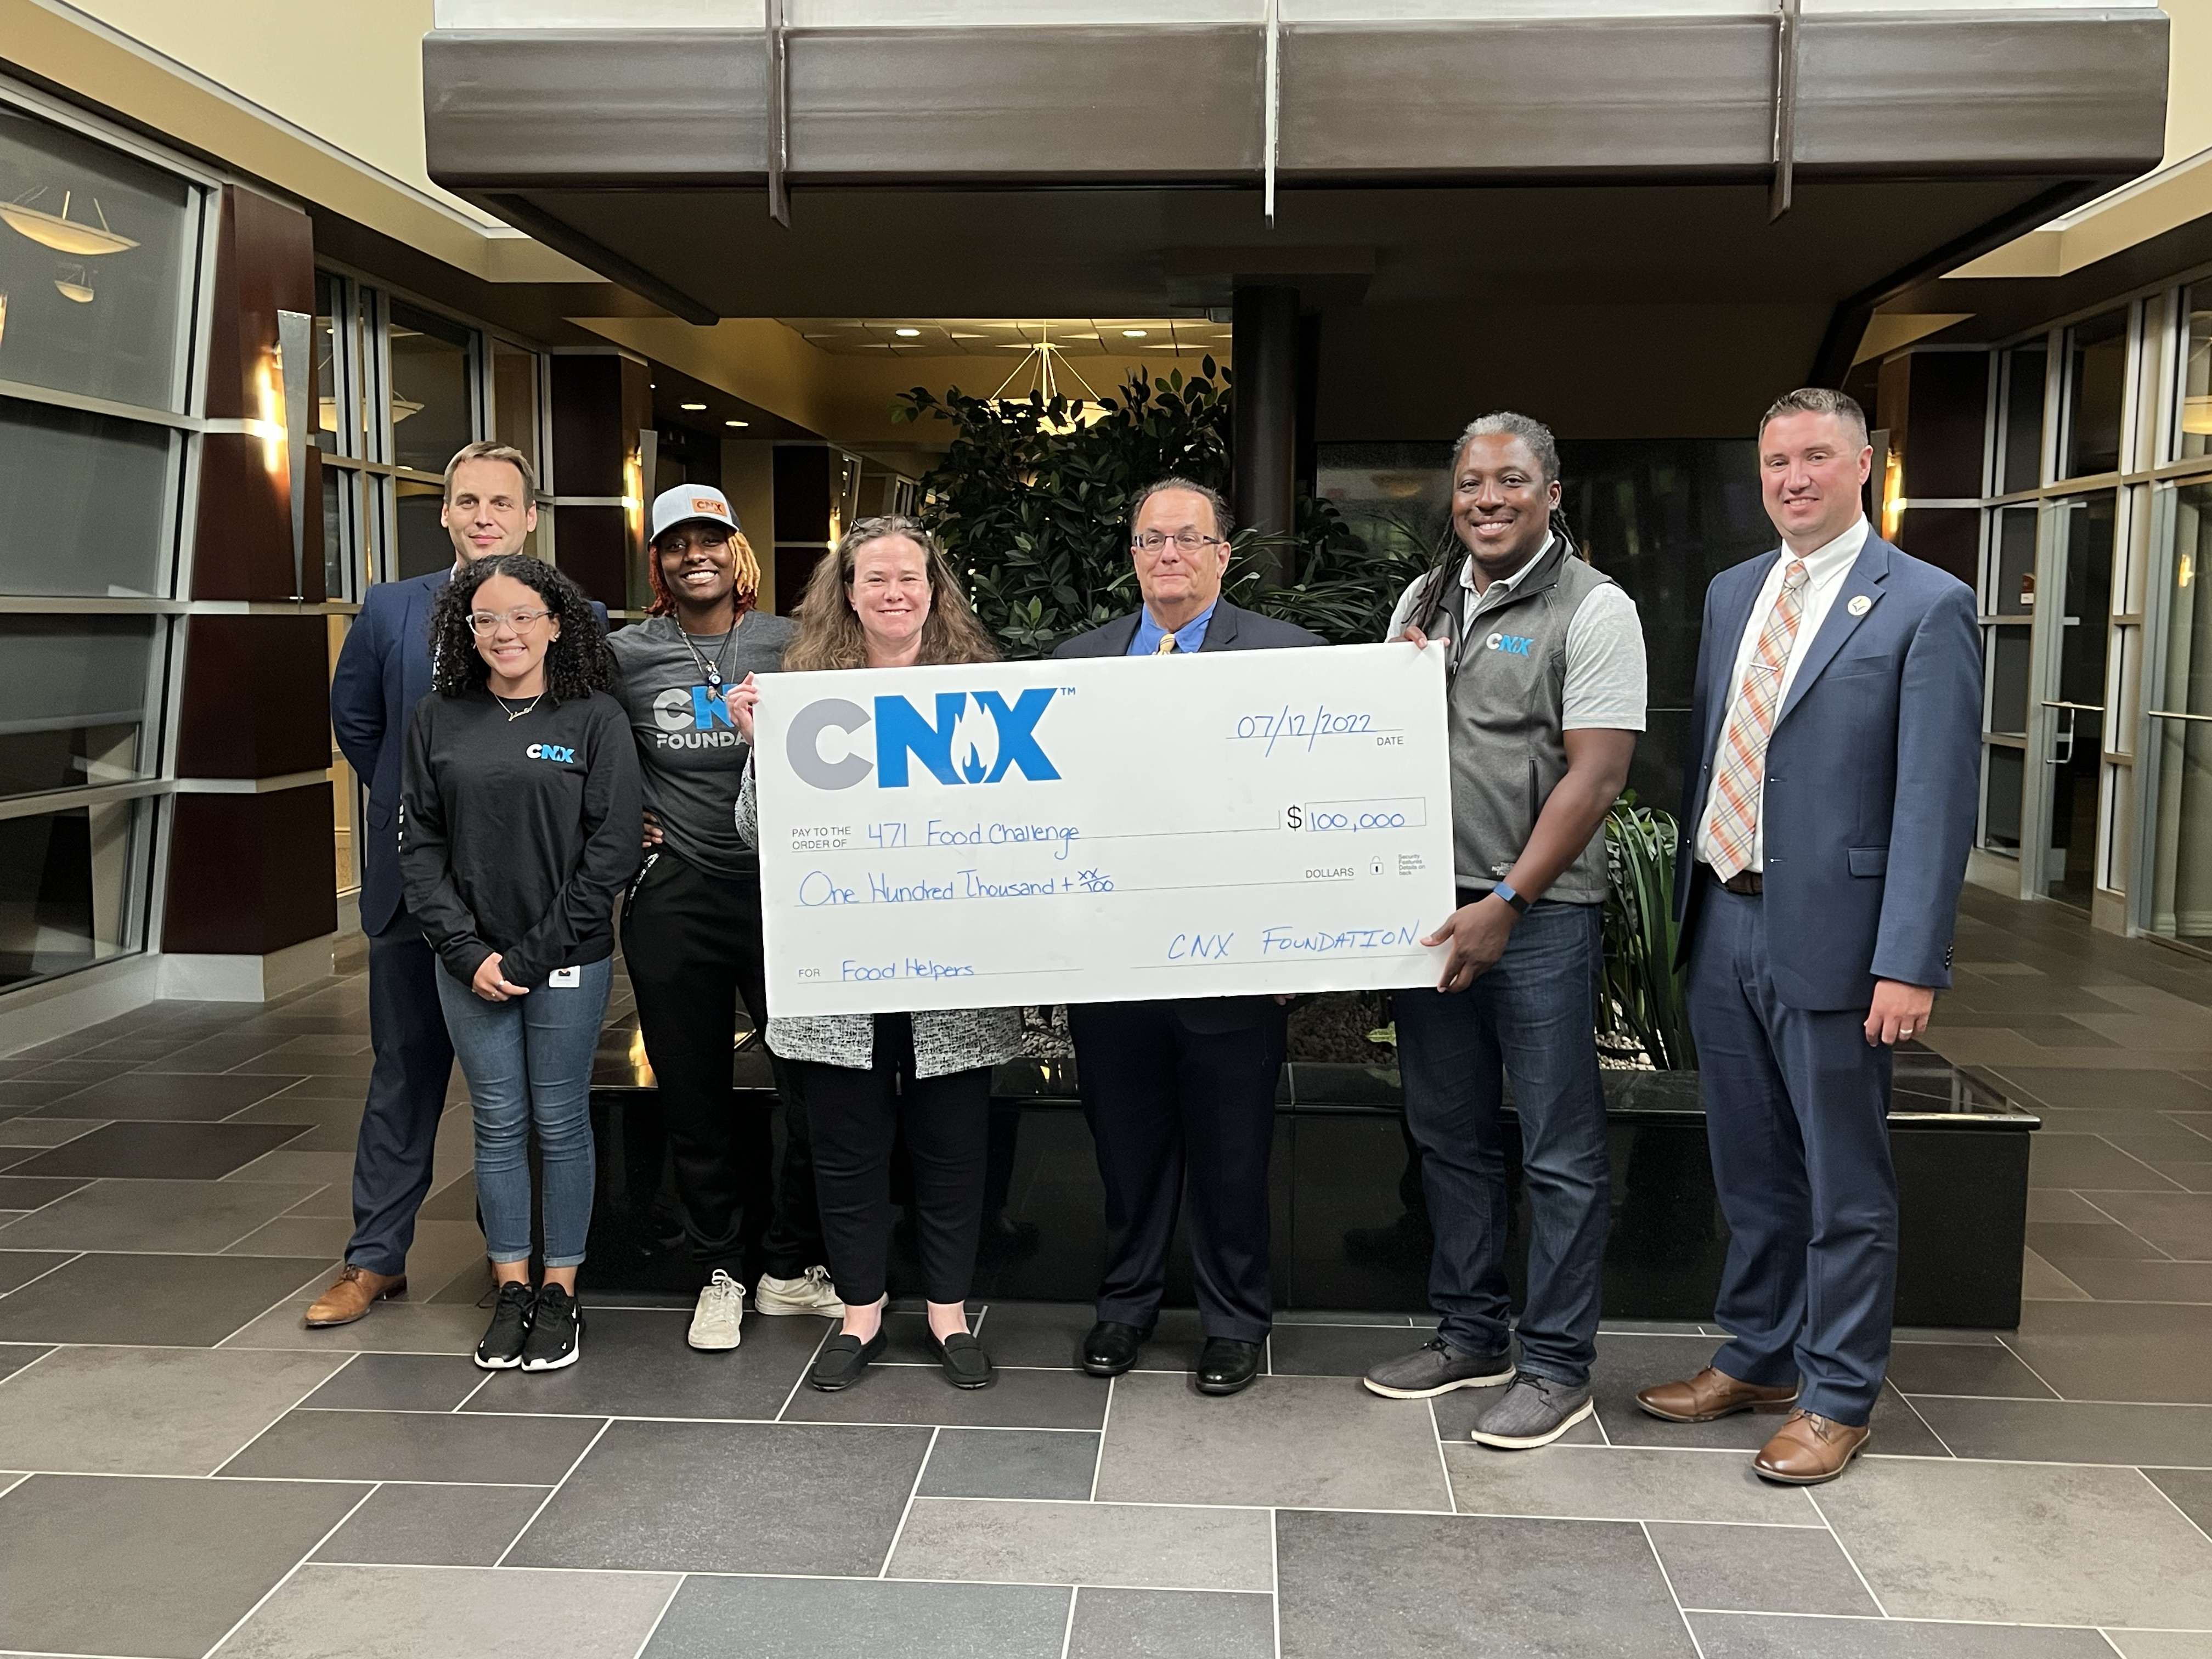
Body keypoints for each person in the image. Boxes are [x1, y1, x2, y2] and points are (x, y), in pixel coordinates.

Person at [1635, 388, 1978, 1485]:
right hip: (1724, 916)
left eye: (1816, 458)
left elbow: (1934, 797)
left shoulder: (1926, 605)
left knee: (1844, 1182)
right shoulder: (1737, 592)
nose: (1793, 478)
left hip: (1840, 940)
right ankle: (1759, 1356)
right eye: (1777, 460)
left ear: (1865, 465)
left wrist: (1907, 959)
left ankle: (1839, 1394)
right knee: (1751, 1170)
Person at [1361, 413, 1646, 1451]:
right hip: (1432, 915)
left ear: (1552, 493)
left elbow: (1599, 774)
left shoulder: (1595, 610)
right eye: (1473, 480)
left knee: (1560, 1151)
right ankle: (1469, 1334)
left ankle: (1558, 1366)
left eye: (1512, 481)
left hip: (1536, 920)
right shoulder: (1425, 598)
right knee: (1450, 1136)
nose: (1488, 498)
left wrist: (1509, 904)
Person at [730, 515, 1020, 1393]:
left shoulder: (983, 690)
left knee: (952, 1145)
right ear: (846, 594)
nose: (895, 592)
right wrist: (759, 750)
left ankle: (946, 1313)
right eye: (875, 579)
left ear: (936, 591)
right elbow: (752, 831)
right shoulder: (803, 692)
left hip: (954, 969)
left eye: (911, 577)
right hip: (841, 967)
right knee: (846, 1146)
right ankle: (860, 1315)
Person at [1053, 477, 1325, 1398]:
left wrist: (1301, 942)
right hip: (1111, 959)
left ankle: (1234, 1323)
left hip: (1238, 960)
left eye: (1187, 539)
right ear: (1131, 556)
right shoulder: (1075, 660)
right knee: (1124, 1150)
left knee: (1233, 1154)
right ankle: (1125, 1308)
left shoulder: (1293, 657)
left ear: (1222, 554)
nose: (1168, 554)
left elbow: (1315, 808)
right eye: (1149, 540)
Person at [311, 443, 587, 1328]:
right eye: (467, 501)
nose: (483, 516)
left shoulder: (566, 612)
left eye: (501, 502)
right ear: (444, 513)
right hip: (415, 892)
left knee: (533, 1093)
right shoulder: (394, 609)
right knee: (407, 1072)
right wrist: (409, 797)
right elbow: (356, 717)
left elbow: (591, 729)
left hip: (534, 900)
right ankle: (374, 1259)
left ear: (529, 516)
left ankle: (521, 1266)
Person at [608, 483, 840, 1353]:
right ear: (659, 561)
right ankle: (719, 1270)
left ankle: (788, 1263)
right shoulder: (625, 654)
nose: (694, 554)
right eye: (676, 543)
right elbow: (588, 743)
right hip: (679, 893)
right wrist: (623, 811)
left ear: (738, 553)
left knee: (810, 1084)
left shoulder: (793, 643)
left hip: (789, 891)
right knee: (694, 1095)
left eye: (711, 539)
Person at [400, 554, 642, 1371]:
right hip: (466, 963)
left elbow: (610, 853)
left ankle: (562, 1291)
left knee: (560, 1119)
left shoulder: (595, 717)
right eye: (486, 620)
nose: (505, 633)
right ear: (464, 633)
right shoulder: (438, 716)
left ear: (555, 624)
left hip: (565, 958)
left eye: (521, 616)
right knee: (498, 1122)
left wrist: (530, 956)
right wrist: (465, 951)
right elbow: (419, 845)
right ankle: (510, 1287)